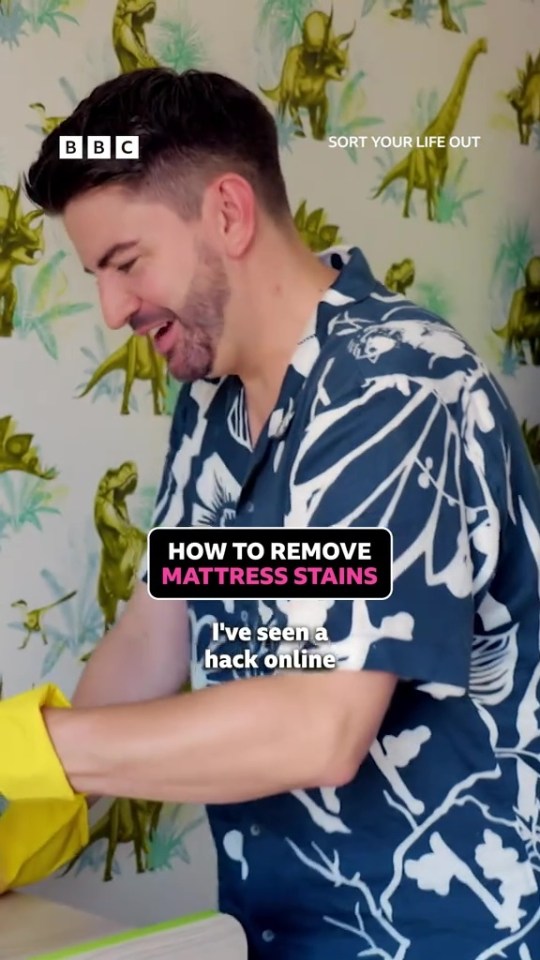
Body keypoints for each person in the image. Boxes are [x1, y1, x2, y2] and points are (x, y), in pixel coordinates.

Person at [13, 67, 540, 958]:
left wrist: (28, 749)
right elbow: (156, 633)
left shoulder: (402, 386)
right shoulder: (215, 407)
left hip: (439, 935)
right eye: (95, 275)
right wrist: (33, 812)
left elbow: (320, 725)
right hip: (269, 929)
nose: (111, 311)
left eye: (126, 264)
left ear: (227, 211)